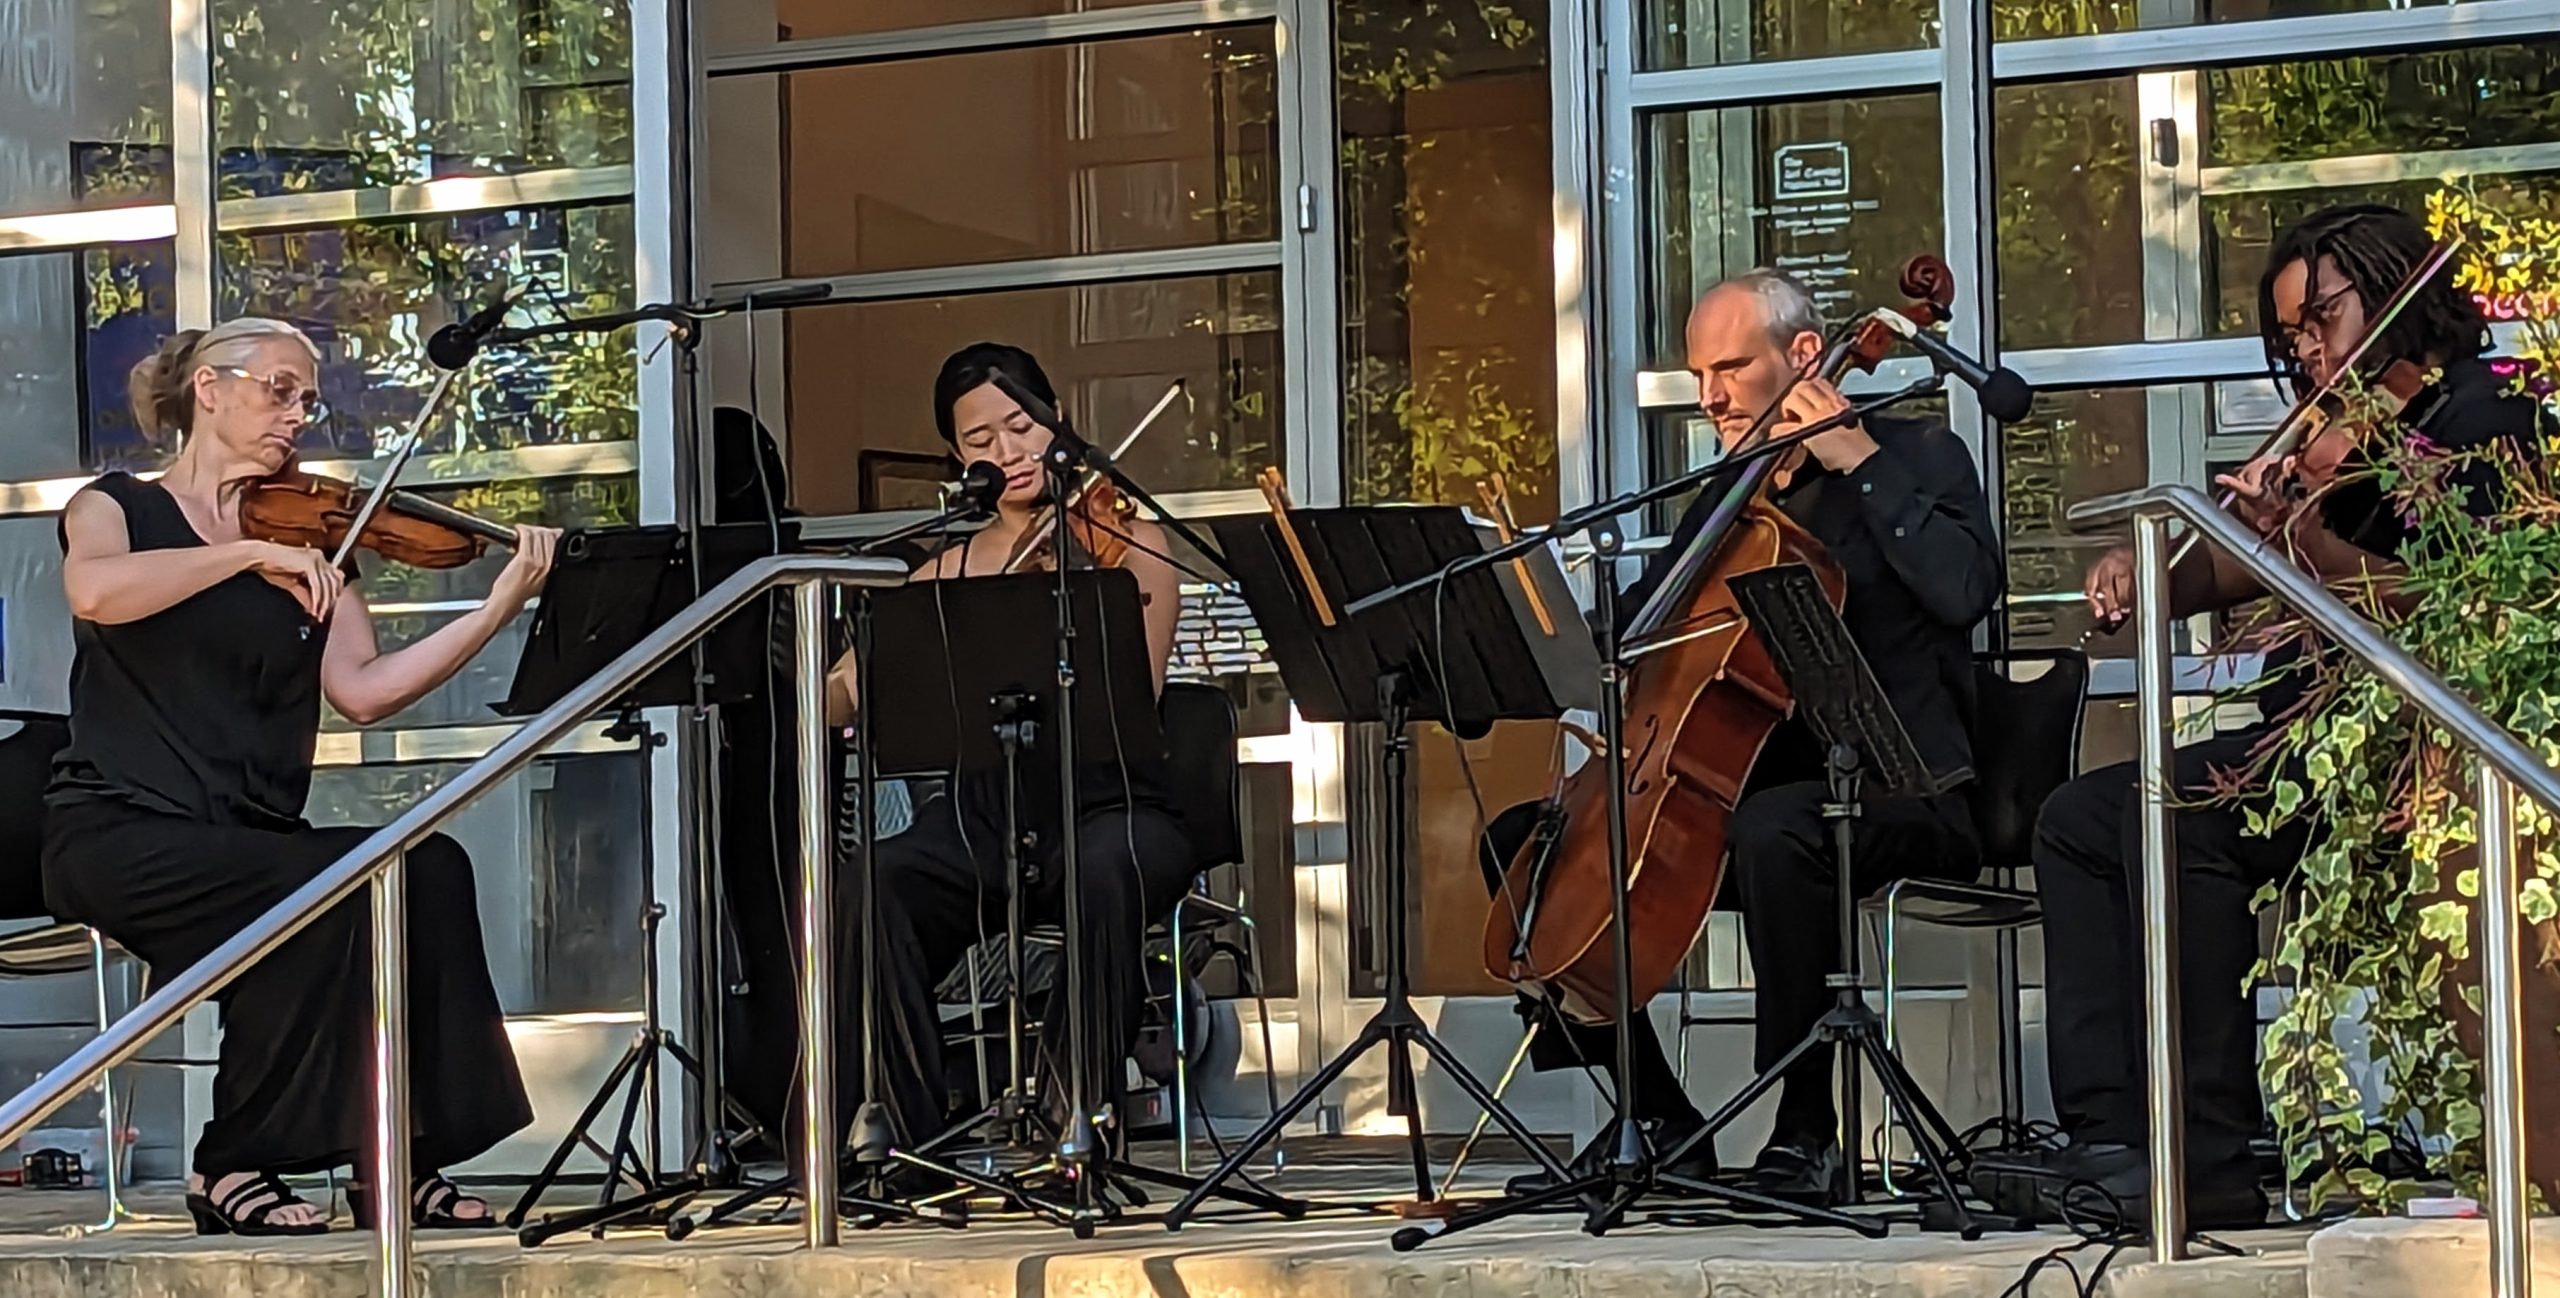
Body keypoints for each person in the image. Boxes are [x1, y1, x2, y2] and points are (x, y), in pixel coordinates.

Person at [1979, 202, 2556, 1227]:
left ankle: (2209, 1152)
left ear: (2390, 294)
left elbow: (2444, 593)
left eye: (2320, 317)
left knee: (2177, 819)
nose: (2306, 349)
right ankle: (2112, 1132)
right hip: (2301, 740)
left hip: (2416, 748)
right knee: (2075, 821)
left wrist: (2294, 531)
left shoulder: (2483, 411)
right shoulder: (2331, 435)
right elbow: (2237, 558)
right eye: (2288, 332)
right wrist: (2153, 564)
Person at [1486, 269, 2003, 1206]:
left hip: (1904, 785)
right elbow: (1641, 631)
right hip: (1733, 792)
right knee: (1528, 847)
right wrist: (1543, 633)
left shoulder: (1919, 456)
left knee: (1777, 830)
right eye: (1698, 375)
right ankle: (1658, 1115)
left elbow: (1967, 589)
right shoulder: (1731, 495)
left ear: (1805, 358)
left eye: (1731, 367)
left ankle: (1808, 1129)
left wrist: (1857, 460)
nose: (1711, 396)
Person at [40, 318, 563, 1235]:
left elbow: (363, 691)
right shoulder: (115, 507)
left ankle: (396, 1156)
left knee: (422, 867)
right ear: (209, 387)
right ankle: (234, 1161)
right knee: (317, 895)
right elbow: (96, 593)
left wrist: (496, 609)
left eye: (306, 398)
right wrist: (246, 555)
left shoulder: (317, 541)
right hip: (120, 831)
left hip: (249, 836)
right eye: (279, 389)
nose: (297, 415)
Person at [820, 342, 1196, 1153]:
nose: (1008, 453)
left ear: (1057, 422)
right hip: (985, 817)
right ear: (958, 458)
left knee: (1107, 867)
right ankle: (902, 1133)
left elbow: (1138, 698)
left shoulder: (1128, 549)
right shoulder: (942, 572)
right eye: (980, 441)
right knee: (873, 879)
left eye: (1021, 427)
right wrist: (802, 674)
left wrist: (1070, 575)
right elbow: (843, 693)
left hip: (1110, 804)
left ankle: (1073, 1118)